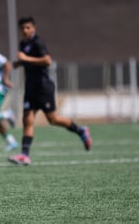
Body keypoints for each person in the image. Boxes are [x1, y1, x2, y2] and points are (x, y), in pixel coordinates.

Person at [8, 16, 92, 166]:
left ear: (34, 28)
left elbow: (47, 60)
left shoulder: (37, 42)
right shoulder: (23, 43)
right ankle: (25, 155)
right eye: (23, 28)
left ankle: (81, 131)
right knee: (27, 120)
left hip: (43, 87)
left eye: (28, 28)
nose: (25, 31)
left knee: (53, 120)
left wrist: (25, 59)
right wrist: (19, 63)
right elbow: (28, 60)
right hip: (30, 87)